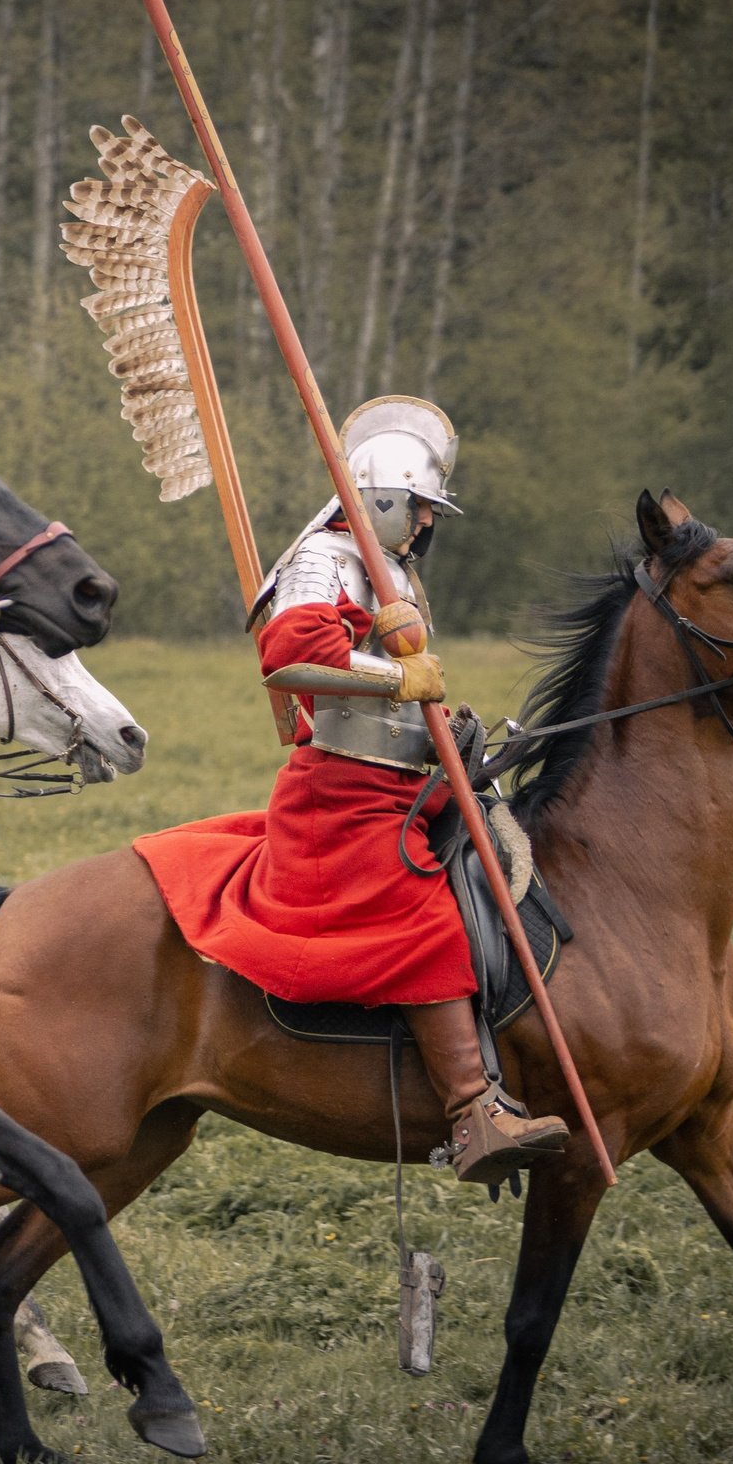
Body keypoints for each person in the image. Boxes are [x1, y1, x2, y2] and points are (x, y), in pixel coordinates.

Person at [133, 396, 570, 1184]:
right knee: (420, 920)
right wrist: (397, 675)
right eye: (422, 508)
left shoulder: (386, 566)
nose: (429, 524)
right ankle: (474, 1110)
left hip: (398, 784)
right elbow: (290, 657)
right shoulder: (326, 558)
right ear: (382, 497)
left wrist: (443, 725)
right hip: (342, 794)